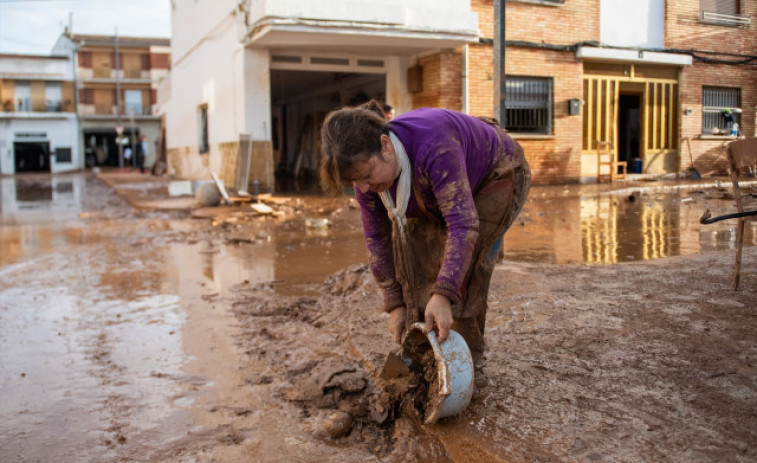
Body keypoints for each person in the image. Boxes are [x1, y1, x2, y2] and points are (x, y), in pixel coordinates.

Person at [319, 100, 531, 379]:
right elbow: (377, 240)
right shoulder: (366, 178)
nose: (364, 188)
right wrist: (394, 303)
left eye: (367, 176)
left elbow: (464, 224)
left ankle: (464, 369)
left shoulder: (435, 146)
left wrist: (443, 294)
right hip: (432, 180)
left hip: (496, 173)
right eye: (355, 183)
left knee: (462, 274)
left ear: (385, 145)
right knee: (417, 261)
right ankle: (425, 356)